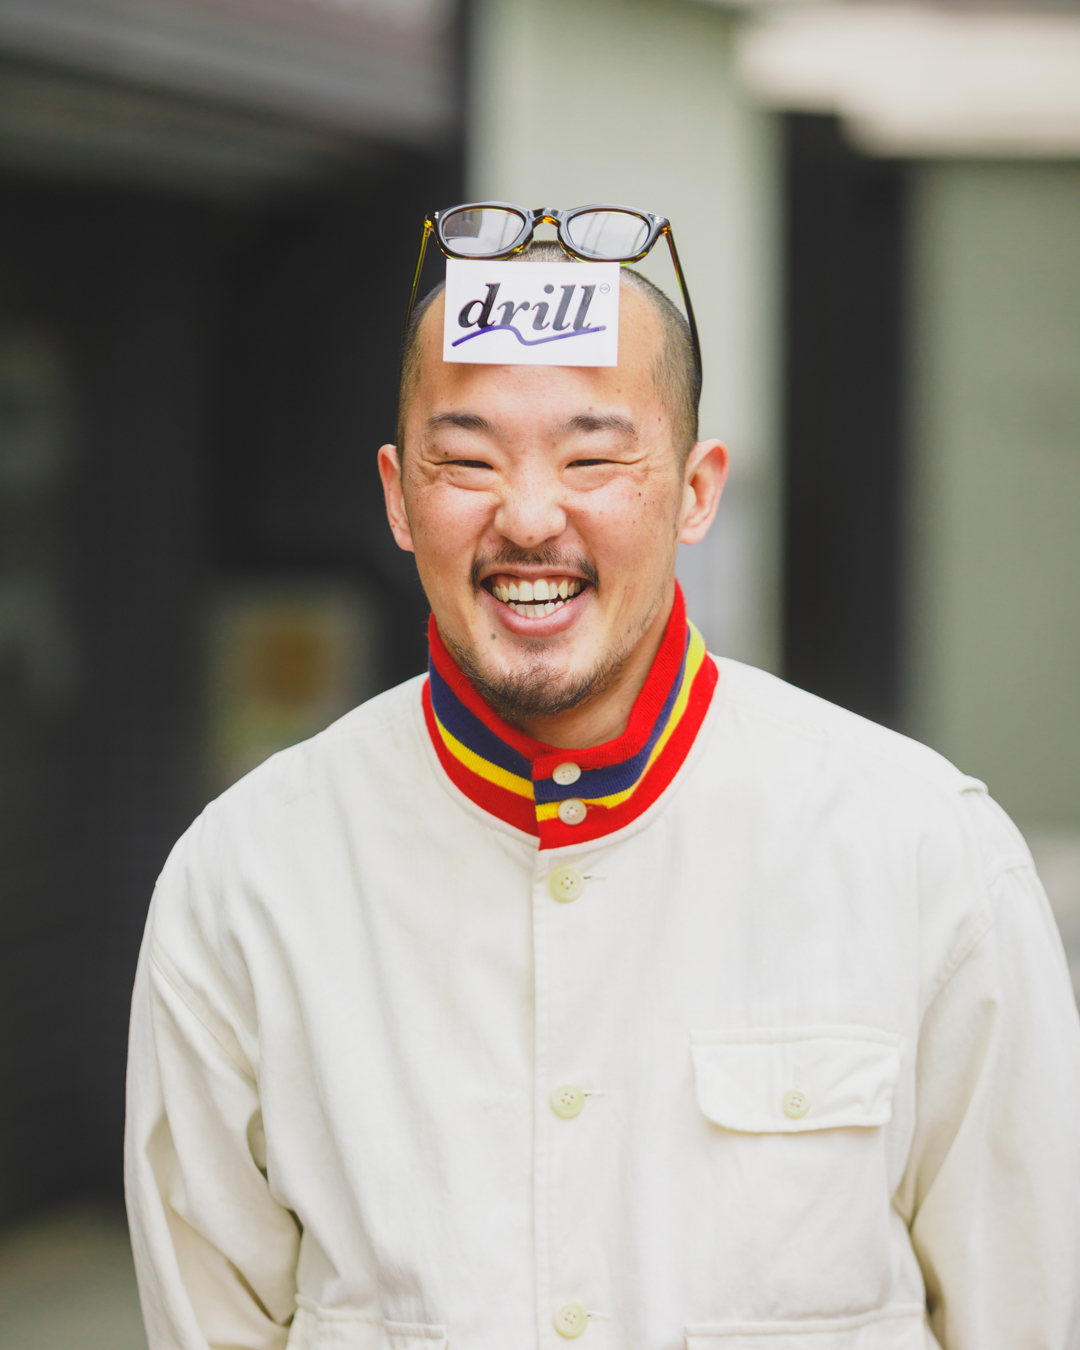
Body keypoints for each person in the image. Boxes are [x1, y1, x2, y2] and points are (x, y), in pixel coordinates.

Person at [125, 206, 1080, 1350]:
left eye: (593, 459)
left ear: (696, 490)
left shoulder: (925, 857)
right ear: (396, 494)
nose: (530, 518)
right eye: (466, 460)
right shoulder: (244, 884)